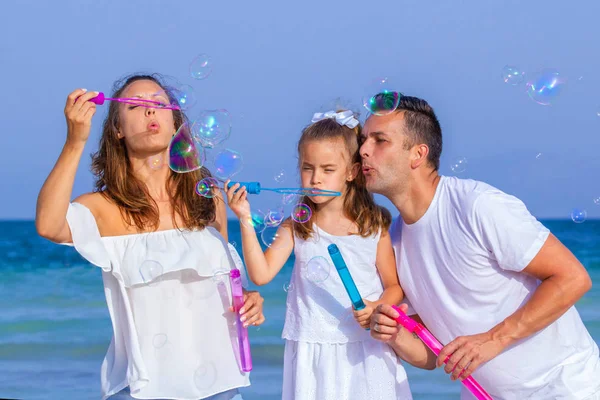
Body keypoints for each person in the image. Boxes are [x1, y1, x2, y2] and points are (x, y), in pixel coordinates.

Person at [35, 74, 265, 400]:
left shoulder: (207, 198)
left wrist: (249, 299)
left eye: (158, 105)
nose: (149, 112)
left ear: (175, 125)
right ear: (118, 129)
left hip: (222, 385)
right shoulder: (104, 208)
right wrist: (75, 141)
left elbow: (225, 278)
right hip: (143, 389)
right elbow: (47, 224)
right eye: (136, 106)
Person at [363, 94, 600, 399]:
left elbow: (573, 278)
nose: (363, 150)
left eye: (379, 140)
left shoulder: (477, 206)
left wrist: (494, 339)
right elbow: (434, 354)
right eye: (364, 140)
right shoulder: (394, 239)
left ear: (417, 154)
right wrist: (396, 335)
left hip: (563, 388)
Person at [225, 110, 413, 399]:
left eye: (327, 169)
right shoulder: (297, 226)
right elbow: (261, 275)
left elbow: (394, 287)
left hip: (365, 348)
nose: (315, 179)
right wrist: (245, 218)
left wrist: (376, 307)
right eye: (307, 168)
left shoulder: (373, 226)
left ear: (351, 172)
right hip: (312, 348)